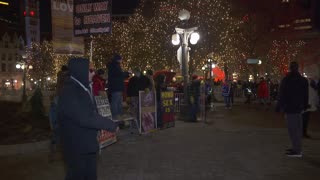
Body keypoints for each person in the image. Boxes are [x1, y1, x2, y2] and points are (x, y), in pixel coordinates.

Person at [57, 58, 118, 180]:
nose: (93, 73)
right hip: (76, 146)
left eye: (94, 70)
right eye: (90, 70)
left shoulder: (81, 87)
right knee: (77, 175)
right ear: (80, 71)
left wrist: (97, 128)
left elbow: (90, 112)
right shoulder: (71, 91)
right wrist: (109, 125)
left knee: (89, 174)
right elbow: (85, 117)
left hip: (85, 144)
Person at [278, 61, 308, 158]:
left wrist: (281, 106)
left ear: (290, 68)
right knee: (297, 129)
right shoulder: (303, 80)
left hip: (289, 108)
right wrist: (304, 106)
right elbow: (305, 95)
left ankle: (297, 150)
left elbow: (282, 94)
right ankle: (296, 147)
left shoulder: (286, 80)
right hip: (298, 107)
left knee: (292, 129)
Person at [107, 54, 125, 119]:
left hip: (116, 87)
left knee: (118, 101)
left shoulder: (113, 65)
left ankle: (119, 115)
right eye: (121, 59)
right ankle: (116, 115)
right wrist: (126, 73)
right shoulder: (115, 65)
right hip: (116, 87)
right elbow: (119, 74)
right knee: (116, 101)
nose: (121, 60)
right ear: (118, 59)